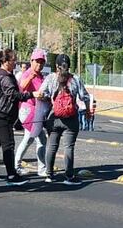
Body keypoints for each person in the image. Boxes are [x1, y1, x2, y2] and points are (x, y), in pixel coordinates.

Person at [38, 54, 89, 185]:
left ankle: (49, 175)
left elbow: (41, 94)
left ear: (56, 66)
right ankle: (69, 176)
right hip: (71, 119)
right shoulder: (75, 79)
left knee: (52, 146)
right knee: (69, 147)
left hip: (54, 118)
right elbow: (85, 96)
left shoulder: (50, 78)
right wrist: (88, 111)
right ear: (70, 66)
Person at [0, 49, 30, 184]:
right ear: (5, 61)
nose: (15, 63)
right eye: (13, 61)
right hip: (2, 113)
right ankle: (11, 175)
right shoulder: (4, 76)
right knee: (8, 144)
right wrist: (32, 95)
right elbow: (13, 94)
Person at [15, 48, 47, 176]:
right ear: (31, 61)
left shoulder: (41, 76)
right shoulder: (28, 73)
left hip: (37, 110)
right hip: (27, 110)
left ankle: (40, 168)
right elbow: (21, 88)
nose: (39, 64)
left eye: (42, 62)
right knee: (34, 139)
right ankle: (18, 166)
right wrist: (31, 77)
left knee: (31, 139)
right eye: (37, 61)